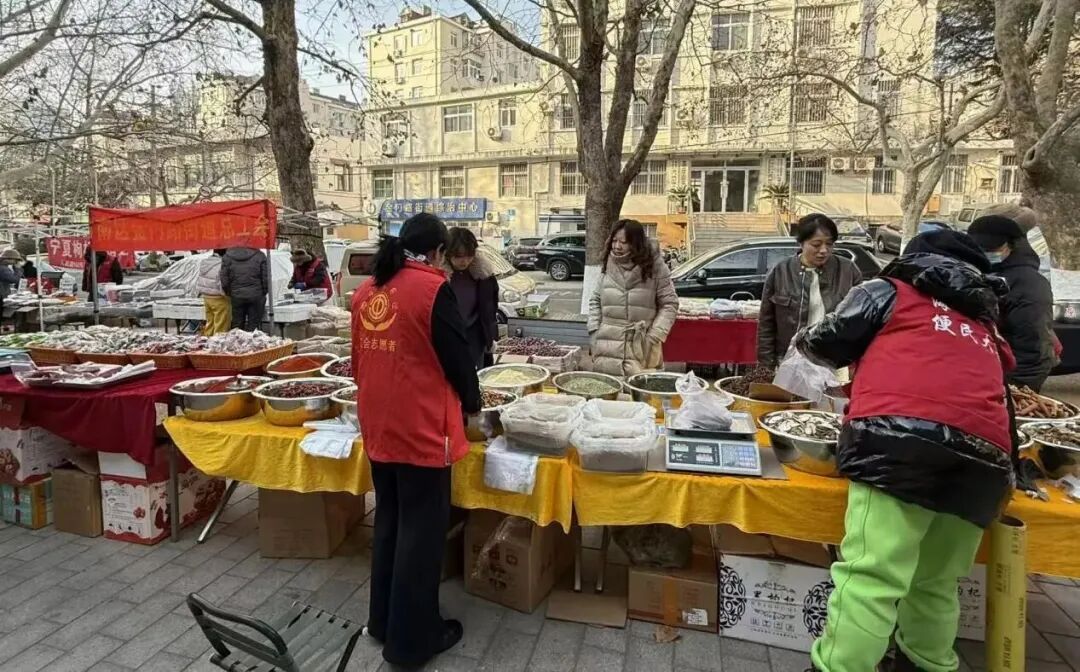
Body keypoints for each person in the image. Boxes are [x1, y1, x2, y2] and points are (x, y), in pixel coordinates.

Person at [793, 229, 1015, 672]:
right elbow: (1001, 392)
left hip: (898, 444)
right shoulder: (984, 325)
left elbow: (826, 340)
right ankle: (928, 664)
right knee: (936, 583)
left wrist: (804, 339)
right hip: (986, 459)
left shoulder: (890, 289)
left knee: (873, 577)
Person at [351, 212, 480, 668]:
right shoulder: (431, 289)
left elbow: (357, 360)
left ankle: (382, 621)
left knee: (390, 520)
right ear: (438, 251)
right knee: (421, 535)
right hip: (421, 427)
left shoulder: (367, 290)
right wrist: (473, 402)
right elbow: (458, 359)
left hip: (378, 423)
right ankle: (411, 643)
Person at [758, 213, 862, 368]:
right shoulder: (780, 271)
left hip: (834, 361)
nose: (824, 250)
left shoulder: (848, 270)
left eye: (829, 244)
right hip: (792, 359)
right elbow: (766, 324)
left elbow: (861, 320)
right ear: (801, 243)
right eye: (816, 244)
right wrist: (766, 366)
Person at [968, 214, 1057, 391]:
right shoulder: (973, 273)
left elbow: (1032, 345)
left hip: (1016, 374)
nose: (985, 253)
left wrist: (1013, 388)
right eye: (979, 248)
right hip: (982, 371)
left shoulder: (1028, 283)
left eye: (993, 248)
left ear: (1012, 245)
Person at [587, 219, 678, 376]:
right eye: (614, 241)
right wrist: (594, 330)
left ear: (636, 243)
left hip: (642, 345)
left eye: (623, 242)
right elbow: (595, 299)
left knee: (641, 388)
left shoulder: (655, 267)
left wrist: (654, 336)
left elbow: (669, 304)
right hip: (607, 346)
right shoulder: (608, 263)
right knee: (608, 388)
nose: (617, 246)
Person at [445, 227, 499, 369]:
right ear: (447, 253)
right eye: (458, 256)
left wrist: (490, 337)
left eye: (469, 255)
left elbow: (490, 309)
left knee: (476, 375)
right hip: (448, 337)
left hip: (475, 336)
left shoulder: (483, 275)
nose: (464, 261)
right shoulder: (438, 277)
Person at [220, 247, 269, 331]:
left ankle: (237, 338)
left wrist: (229, 293)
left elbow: (224, 279)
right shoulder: (260, 255)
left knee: (237, 325)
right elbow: (265, 277)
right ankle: (252, 338)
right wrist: (263, 292)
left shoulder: (227, 257)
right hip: (256, 294)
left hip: (236, 295)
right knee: (253, 326)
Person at [196, 249, 231, 336]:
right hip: (219, 298)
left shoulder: (205, 262)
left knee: (210, 323)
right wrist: (227, 294)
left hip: (206, 297)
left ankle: (207, 340)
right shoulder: (222, 264)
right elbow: (222, 282)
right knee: (221, 326)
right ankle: (217, 342)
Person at [0, 250, 22, 329]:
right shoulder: (3, 269)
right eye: (15, 260)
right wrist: (17, 269)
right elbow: (15, 280)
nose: (15, 262)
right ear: (8, 259)